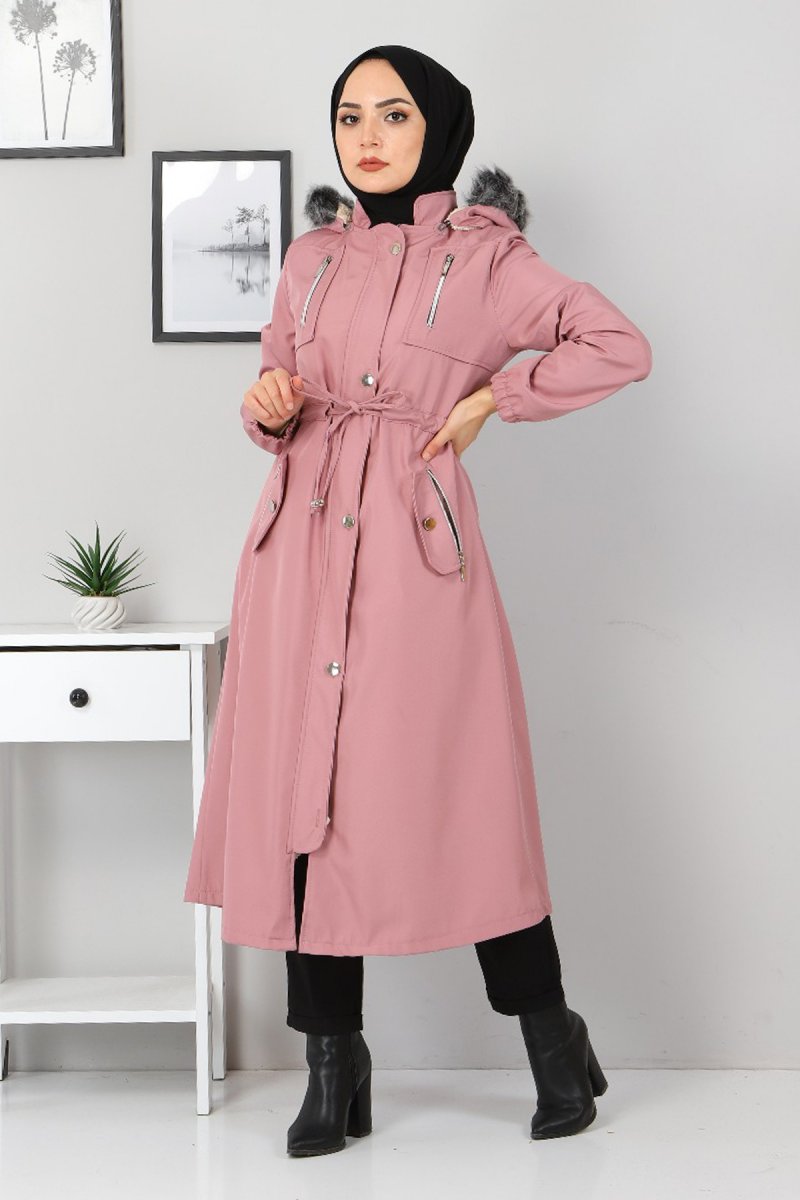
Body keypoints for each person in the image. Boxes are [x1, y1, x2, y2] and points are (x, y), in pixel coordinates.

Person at [183, 43, 652, 1158]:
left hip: (411, 550)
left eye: (393, 115)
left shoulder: (487, 259)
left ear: (438, 127)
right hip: (297, 552)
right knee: (303, 795)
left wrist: (498, 395)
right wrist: (267, 404)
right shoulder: (310, 259)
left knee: (465, 795)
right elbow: (274, 390)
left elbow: (616, 344)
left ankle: (552, 1037)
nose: (368, 136)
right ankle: (331, 1064)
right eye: (349, 116)